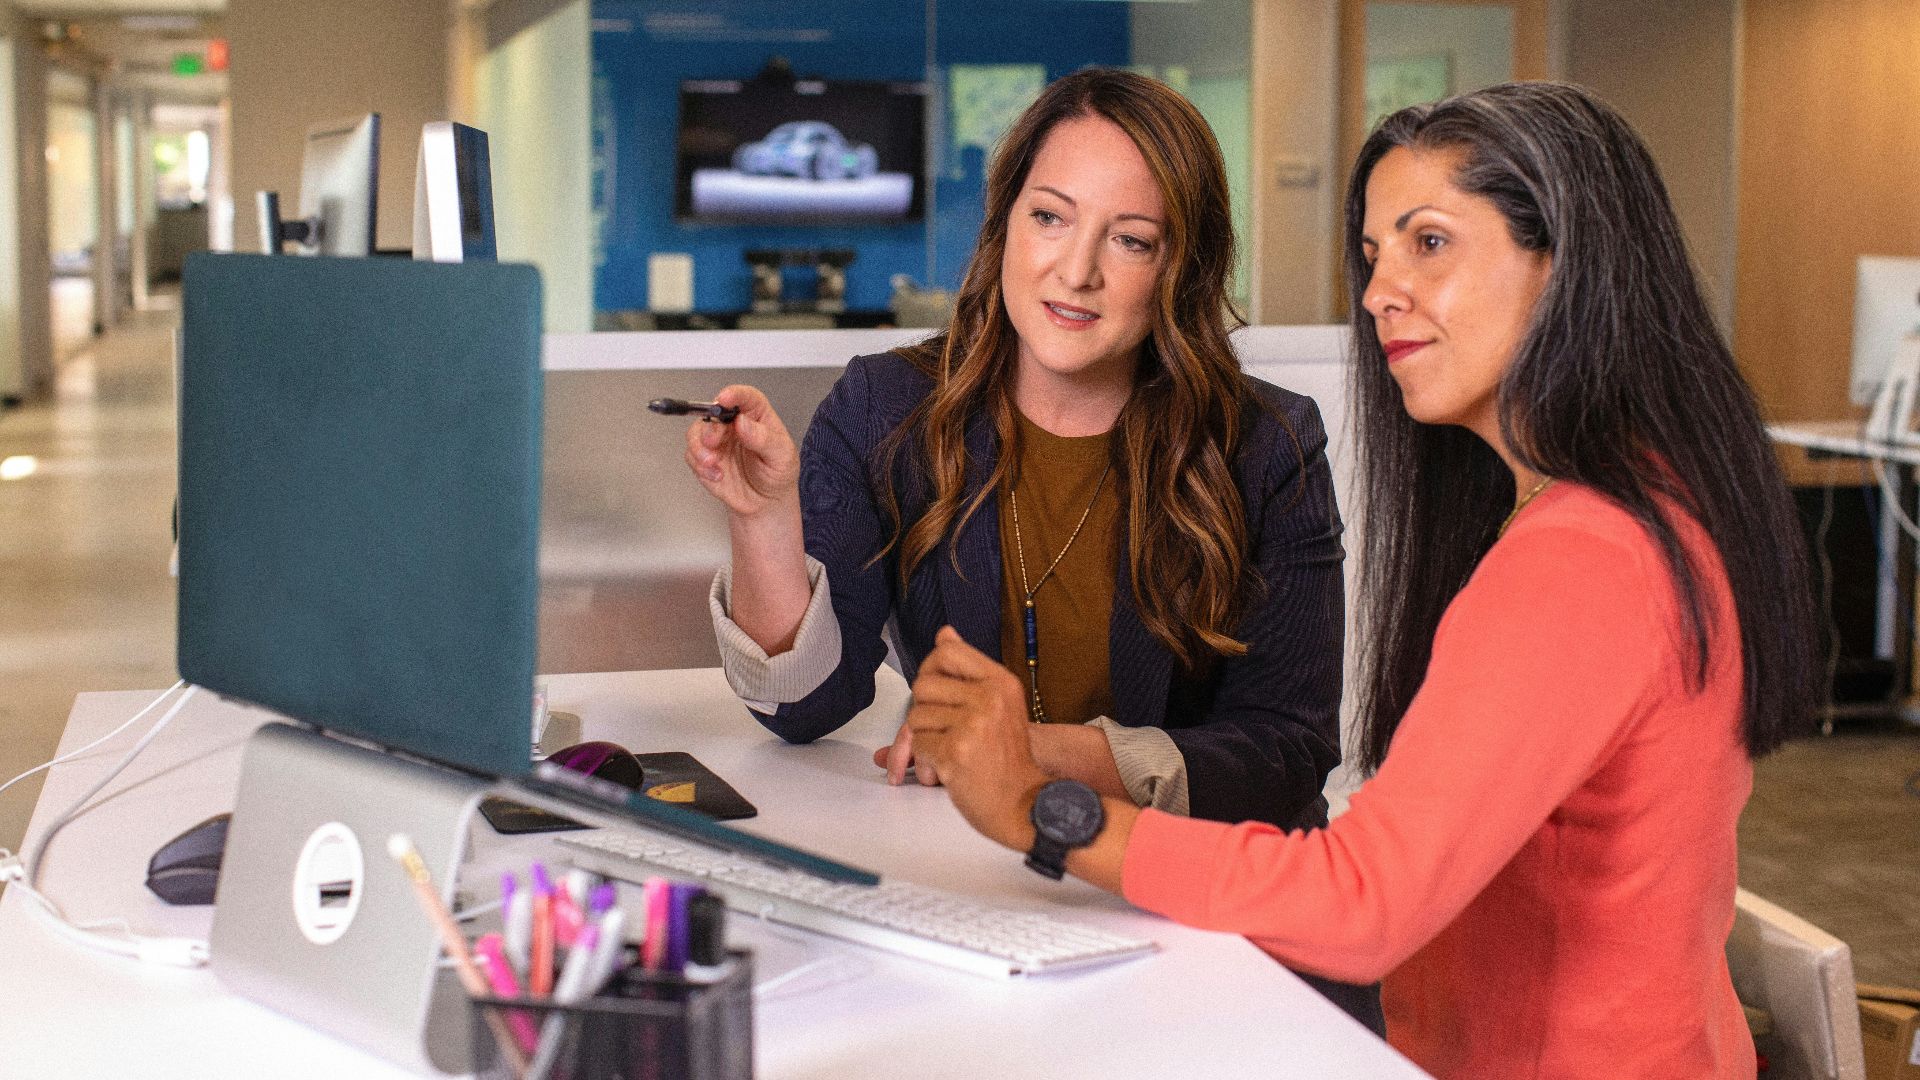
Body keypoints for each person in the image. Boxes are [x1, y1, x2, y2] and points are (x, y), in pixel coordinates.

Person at [902, 80, 1819, 1078]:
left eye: (1429, 243)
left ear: (1567, 264)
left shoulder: (1584, 558)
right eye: (1375, 254)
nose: (1381, 290)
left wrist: (1041, 810)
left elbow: (1363, 905)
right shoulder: (1649, 502)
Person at [680, 68, 1378, 1025]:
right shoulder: (887, 407)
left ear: (1181, 267)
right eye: (1050, 218)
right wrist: (762, 517)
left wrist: (1028, 760)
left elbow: (1288, 754)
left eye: (1130, 241)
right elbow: (807, 707)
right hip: (990, 907)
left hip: (1204, 922)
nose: (1075, 271)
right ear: (1005, 222)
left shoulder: (1266, 442)